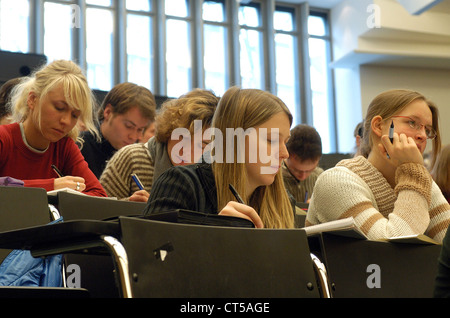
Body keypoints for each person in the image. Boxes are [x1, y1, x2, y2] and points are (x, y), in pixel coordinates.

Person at [305, 89, 450, 242]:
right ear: (379, 126)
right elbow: (392, 249)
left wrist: (413, 174)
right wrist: (412, 171)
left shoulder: (420, 181)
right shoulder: (336, 182)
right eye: (412, 123)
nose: (422, 135)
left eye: (427, 129)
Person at [143, 86, 295, 229]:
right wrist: (214, 236)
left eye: (286, 142)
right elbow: (148, 253)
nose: (285, 153)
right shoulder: (179, 185)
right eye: (272, 140)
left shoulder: (284, 203)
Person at [0, 59, 106, 196]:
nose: (66, 121)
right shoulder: (4, 138)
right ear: (32, 99)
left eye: (75, 115)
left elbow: (99, 195)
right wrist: (51, 186)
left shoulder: (64, 148)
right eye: (59, 108)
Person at [100, 89, 219, 202]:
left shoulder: (209, 178)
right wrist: (131, 207)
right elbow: (98, 212)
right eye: (183, 138)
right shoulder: (131, 158)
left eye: (201, 146)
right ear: (170, 129)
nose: (187, 151)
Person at [78, 82, 156, 178]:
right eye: (128, 126)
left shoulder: (136, 159)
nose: (134, 137)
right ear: (108, 112)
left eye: (140, 130)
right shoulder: (79, 147)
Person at [282, 124, 323, 204]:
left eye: (310, 170)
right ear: (286, 155)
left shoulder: (320, 177)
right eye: (296, 170)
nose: (303, 176)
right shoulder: (274, 177)